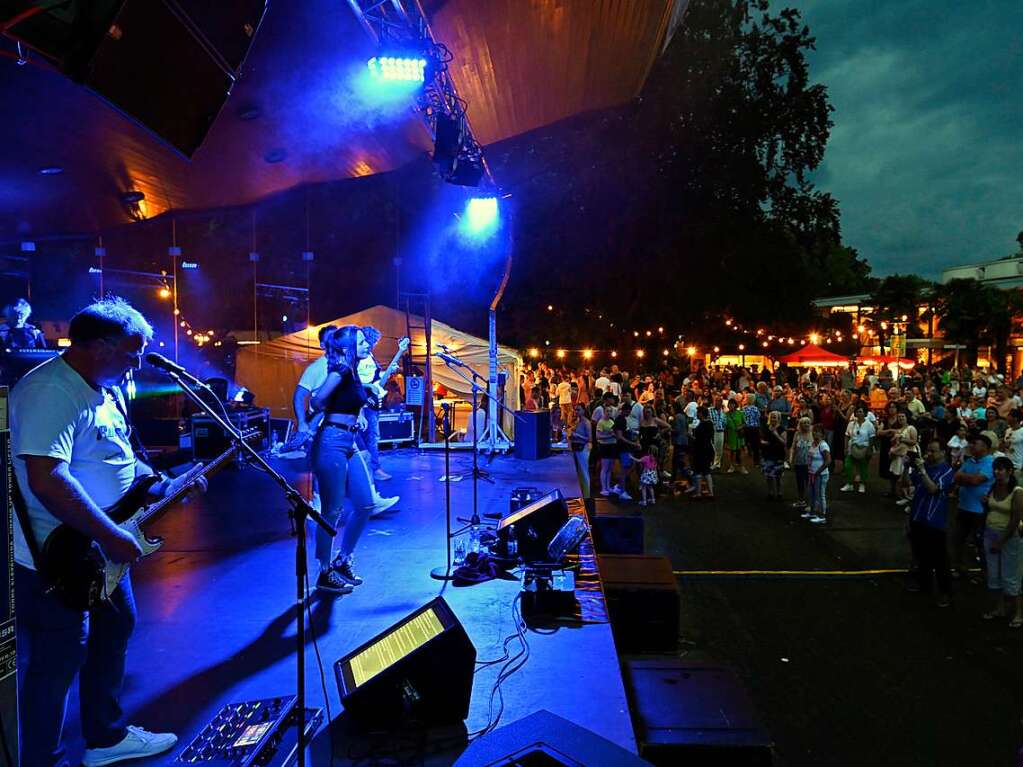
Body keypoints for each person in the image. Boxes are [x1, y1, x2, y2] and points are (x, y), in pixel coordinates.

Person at [12, 298, 201, 767]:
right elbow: (47, 477)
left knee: (116, 626)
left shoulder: (104, 388)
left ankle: (106, 738)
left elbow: (117, 457)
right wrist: (111, 535)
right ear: (97, 346)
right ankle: (41, 760)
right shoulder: (52, 391)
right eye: (130, 351)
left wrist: (160, 485)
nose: (137, 362)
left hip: (102, 546)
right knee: (58, 660)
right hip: (59, 554)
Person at [293, 327, 397, 517]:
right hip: (330, 430)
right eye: (362, 342)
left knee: (364, 457)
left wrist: (361, 408)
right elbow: (305, 397)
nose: (368, 345)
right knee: (331, 499)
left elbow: (350, 395)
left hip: (347, 430)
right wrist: (303, 423)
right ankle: (318, 502)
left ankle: (370, 499)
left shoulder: (351, 368)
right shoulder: (325, 368)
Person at [309, 326, 379, 592]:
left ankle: (343, 559)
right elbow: (316, 401)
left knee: (365, 503)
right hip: (331, 443)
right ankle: (324, 573)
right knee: (332, 511)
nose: (366, 346)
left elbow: (348, 399)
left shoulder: (352, 372)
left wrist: (358, 411)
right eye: (361, 342)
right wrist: (334, 412)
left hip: (347, 442)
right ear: (348, 347)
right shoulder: (341, 370)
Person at [905, 440, 955, 606]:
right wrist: (907, 466)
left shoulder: (946, 471)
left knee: (940, 559)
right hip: (917, 516)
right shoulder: (925, 466)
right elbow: (908, 482)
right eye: (928, 451)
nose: (929, 454)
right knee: (921, 554)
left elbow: (933, 489)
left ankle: (945, 593)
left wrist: (921, 470)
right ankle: (924, 585)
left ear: (942, 453)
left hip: (934, 521)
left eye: (933, 451)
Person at [980, 456, 1023, 626]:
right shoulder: (993, 487)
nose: (997, 472)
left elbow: (1015, 519)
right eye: (996, 469)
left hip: (1009, 537)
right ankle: (1000, 608)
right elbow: (989, 509)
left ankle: (1019, 613)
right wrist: (984, 503)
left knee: (1011, 575)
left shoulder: (1017, 492)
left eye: (1001, 469)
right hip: (990, 532)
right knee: (994, 574)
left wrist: (1002, 540)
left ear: (1010, 471)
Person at [953, 433, 995, 584]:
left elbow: (977, 480)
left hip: (979, 510)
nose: (970, 446)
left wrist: (965, 477)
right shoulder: (969, 461)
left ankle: (985, 573)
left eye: (974, 443)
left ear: (985, 447)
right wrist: (967, 477)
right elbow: (956, 476)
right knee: (958, 539)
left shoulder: (991, 462)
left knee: (981, 543)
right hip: (964, 507)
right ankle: (960, 568)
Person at [841, 406, 876, 494]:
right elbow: (847, 436)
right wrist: (845, 448)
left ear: (865, 413)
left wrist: (870, 449)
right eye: (858, 412)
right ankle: (850, 484)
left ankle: (862, 484)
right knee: (848, 466)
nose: (859, 413)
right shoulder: (851, 424)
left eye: (861, 412)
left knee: (863, 467)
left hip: (864, 447)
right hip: (852, 447)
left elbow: (872, 437)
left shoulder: (869, 425)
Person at [686, 407, 715, 499]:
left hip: (700, 450)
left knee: (698, 471)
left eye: (698, 412)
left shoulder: (702, 425)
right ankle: (711, 492)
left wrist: (690, 436)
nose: (697, 414)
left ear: (702, 413)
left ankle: (698, 493)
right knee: (706, 471)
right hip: (708, 449)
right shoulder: (710, 423)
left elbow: (698, 439)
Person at [805, 423, 831, 525]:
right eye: (814, 431)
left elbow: (828, 461)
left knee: (820, 494)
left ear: (822, 434)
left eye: (818, 431)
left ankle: (822, 516)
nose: (815, 433)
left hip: (820, 474)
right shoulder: (813, 444)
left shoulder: (823, 445)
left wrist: (818, 471)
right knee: (812, 493)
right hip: (812, 473)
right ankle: (812, 512)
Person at [760, 410, 787, 501]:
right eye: (772, 417)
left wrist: (776, 434)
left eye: (775, 417)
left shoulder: (781, 429)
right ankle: (770, 492)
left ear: (778, 418)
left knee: (778, 476)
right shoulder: (766, 427)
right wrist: (763, 442)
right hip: (768, 454)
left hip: (778, 455)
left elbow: (784, 443)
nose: (773, 419)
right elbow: (762, 439)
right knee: (769, 475)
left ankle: (780, 493)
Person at [789, 416, 814, 510]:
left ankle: (811, 502)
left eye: (808, 422)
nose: (806, 424)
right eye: (804, 423)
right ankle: (801, 500)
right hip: (799, 462)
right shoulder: (797, 434)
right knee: (800, 483)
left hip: (810, 463)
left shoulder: (813, 434)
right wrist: (791, 458)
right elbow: (793, 447)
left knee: (810, 483)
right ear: (800, 424)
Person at [569, 403, 592, 498]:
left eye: (578, 410)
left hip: (583, 449)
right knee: (579, 473)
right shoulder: (577, 421)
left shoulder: (586, 422)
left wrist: (577, 435)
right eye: (576, 409)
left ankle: (586, 496)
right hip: (576, 448)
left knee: (584, 472)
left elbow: (589, 439)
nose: (576, 411)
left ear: (583, 410)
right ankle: (581, 494)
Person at [596, 405, 619, 496]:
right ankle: (603, 488)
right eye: (607, 411)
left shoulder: (611, 421)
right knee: (605, 468)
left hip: (612, 446)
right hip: (604, 446)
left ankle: (608, 486)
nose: (609, 413)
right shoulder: (601, 422)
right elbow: (598, 436)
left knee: (610, 468)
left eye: (610, 411)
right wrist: (610, 436)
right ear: (604, 412)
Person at [724, 399, 746, 474]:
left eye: (733, 404)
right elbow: (725, 427)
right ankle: (732, 466)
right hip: (731, 435)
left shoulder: (740, 413)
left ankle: (742, 467)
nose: (731, 405)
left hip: (739, 435)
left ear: (735, 405)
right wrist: (726, 438)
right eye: (730, 404)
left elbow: (744, 423)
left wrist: (740, 427)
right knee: (732, 452)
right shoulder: (726, 414)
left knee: (740, 451)